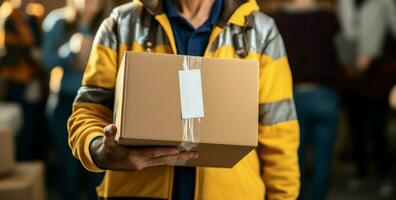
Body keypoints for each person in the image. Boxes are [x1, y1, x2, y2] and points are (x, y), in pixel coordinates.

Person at [68, 0, 300, 199]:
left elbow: (279, 133)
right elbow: (89, 110)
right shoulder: (122, 23)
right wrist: (98, 149)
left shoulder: (260, 31)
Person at [42, 0, 113, 199]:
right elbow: (47, 62)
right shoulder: (57, 21)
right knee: (68, 166)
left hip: (98, 105)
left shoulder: (108, 25)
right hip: (64, 102)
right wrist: (70, 51)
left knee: (96, 167)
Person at [271, 0, 339, 199]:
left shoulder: (277, 20)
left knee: (293, 161)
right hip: (325, 94)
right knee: (323, 161)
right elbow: (343, 55)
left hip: (294, 96)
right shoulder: (328, 18)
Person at [337, 0, 396, 197]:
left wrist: (371, 54)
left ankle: (384, 174)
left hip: (378, 72)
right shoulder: (344, 2)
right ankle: (361, 172)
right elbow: (342, 32)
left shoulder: (384, 2)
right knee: (356, 127)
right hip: (351, 72)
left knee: (376, 126)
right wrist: (348, 62)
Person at [0, 0, 47, 160]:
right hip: (17, 83)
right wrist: (31, 54)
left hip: (35, 80)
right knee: (22, 131)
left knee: (35, 130)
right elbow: (7, 53)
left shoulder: (33, 15)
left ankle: (36, 168)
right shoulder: (8, 16)